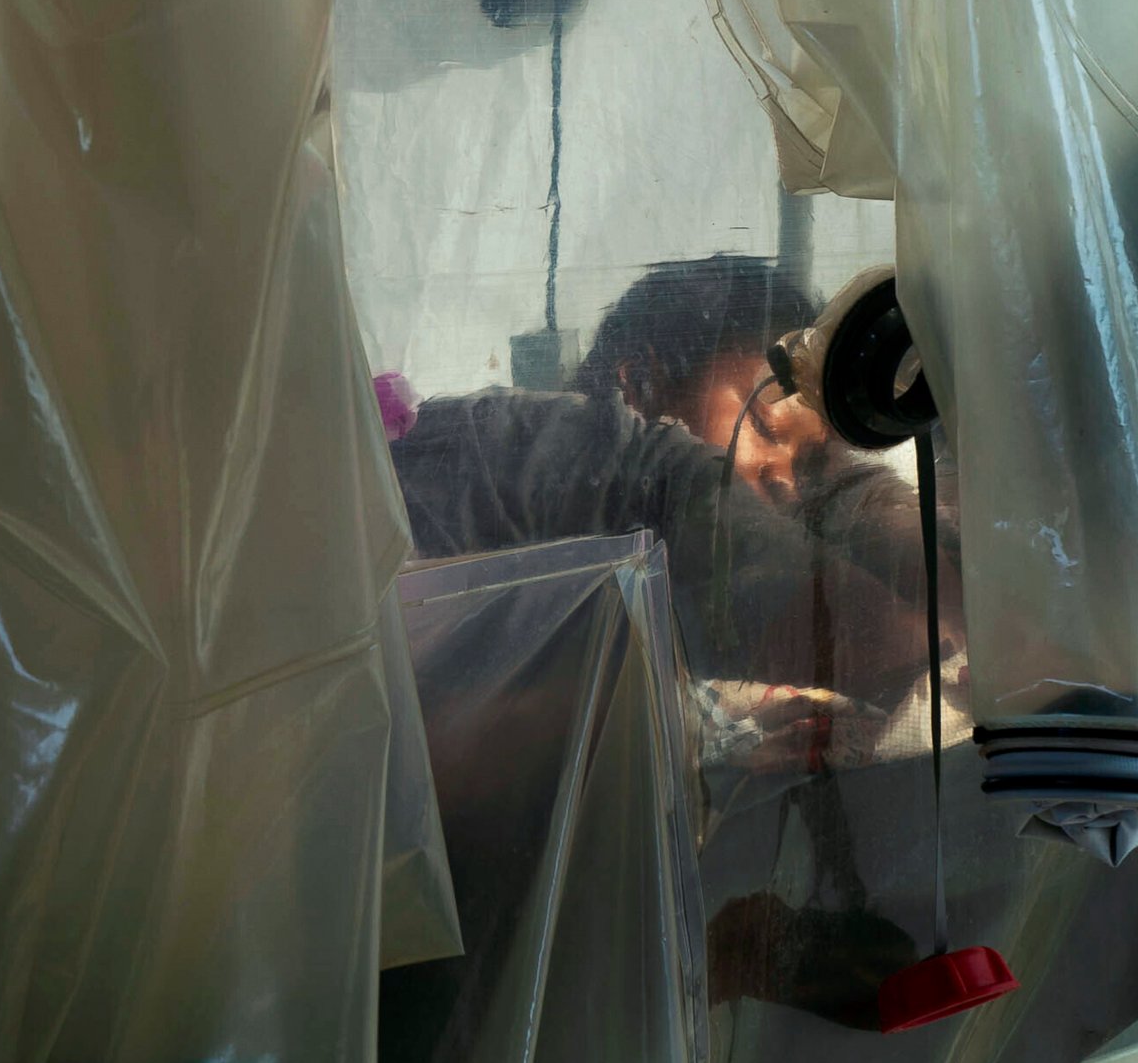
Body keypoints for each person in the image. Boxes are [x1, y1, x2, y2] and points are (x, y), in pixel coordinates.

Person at [391, 253, 941, 716]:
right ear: (644, 383)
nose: (786, 482)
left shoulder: (675, 584)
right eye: (765, 424)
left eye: (810, 467)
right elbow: (899, 638)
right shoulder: (514, 451)